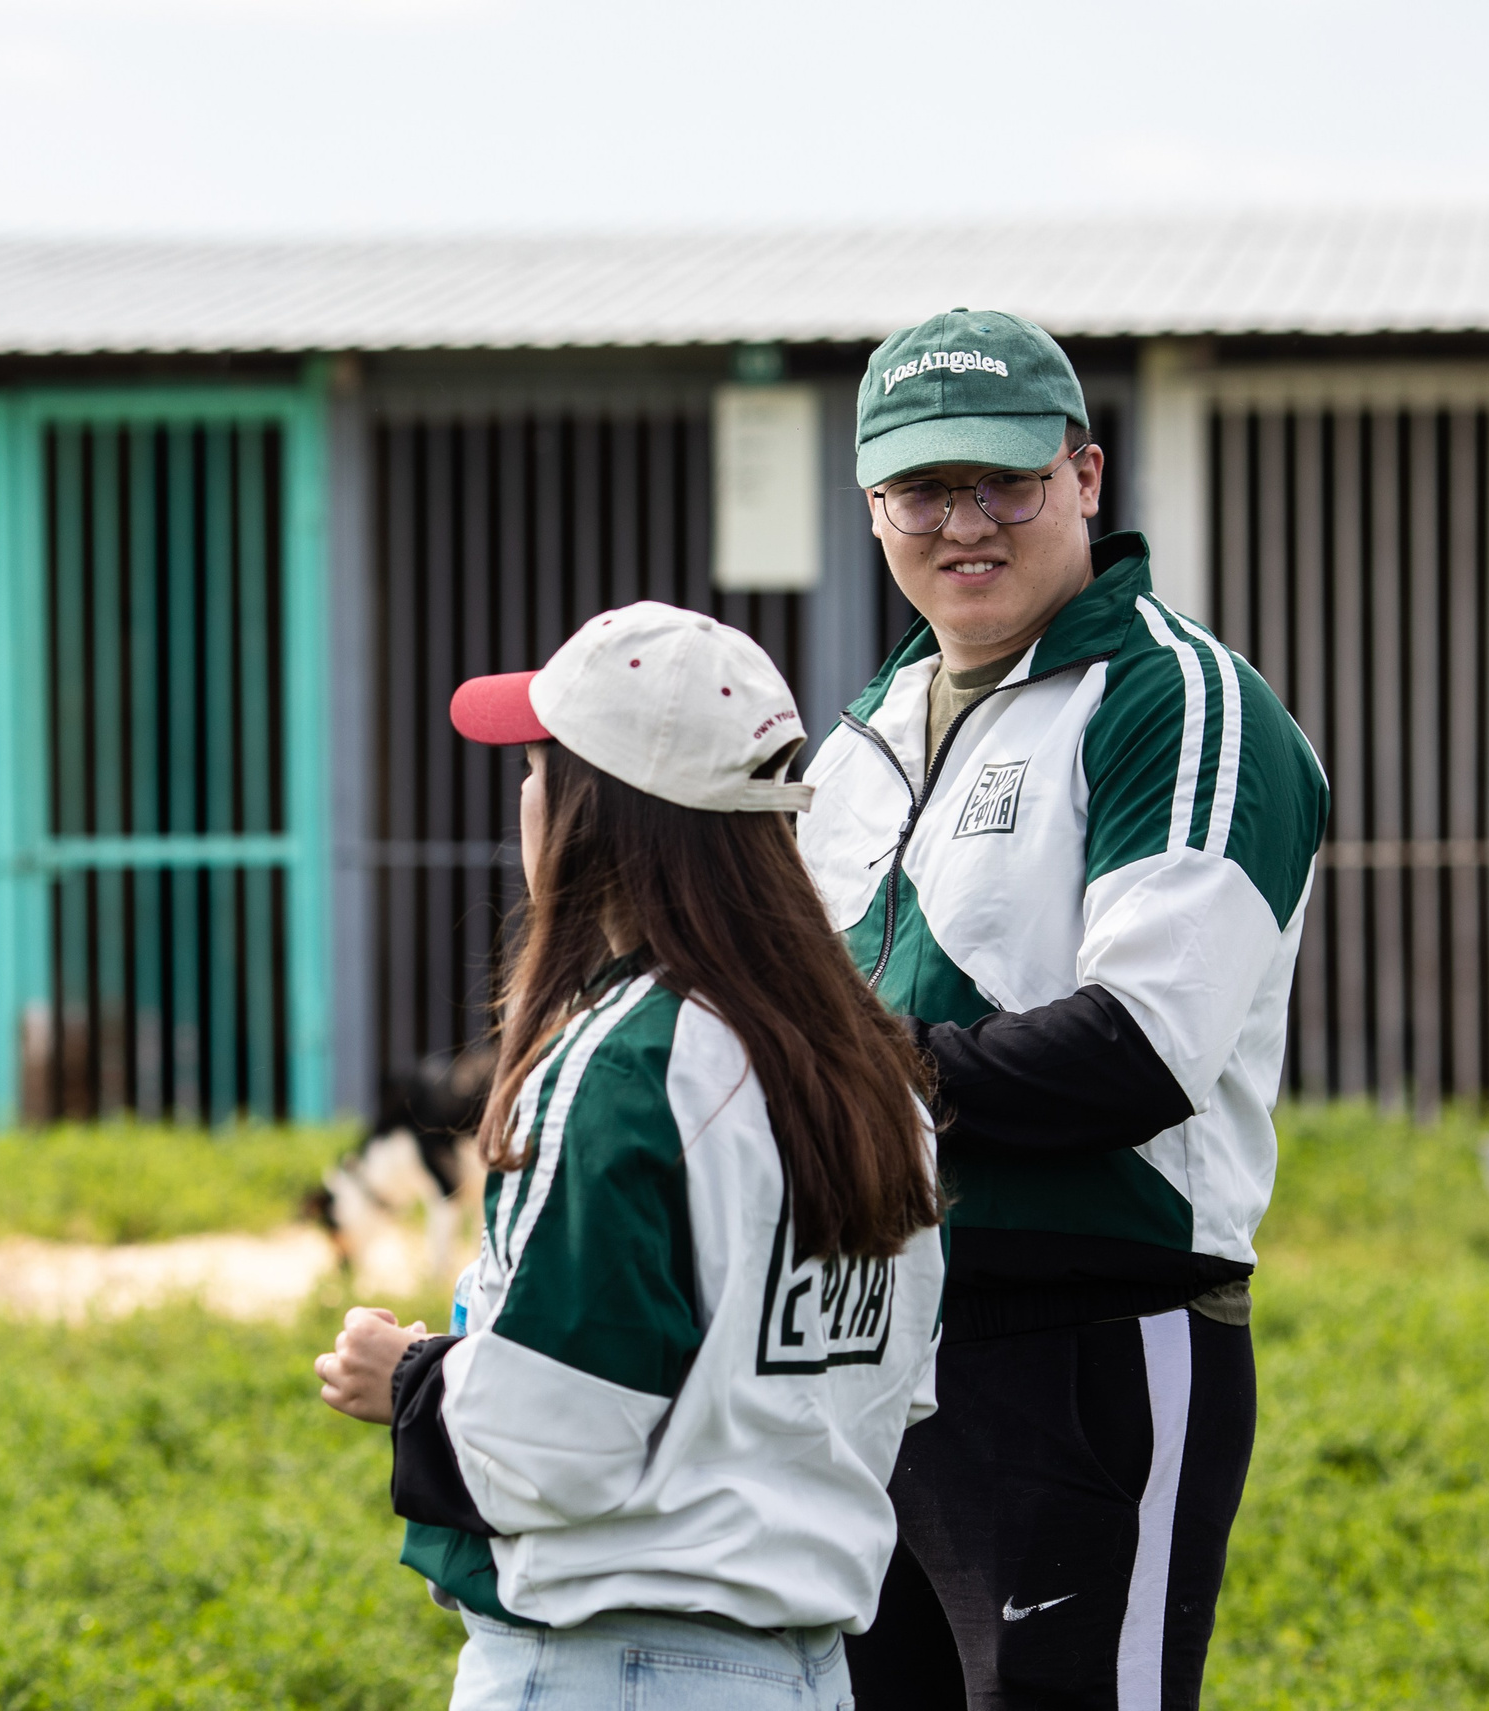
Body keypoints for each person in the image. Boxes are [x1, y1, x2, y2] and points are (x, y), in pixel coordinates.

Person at [799, 310, 1328, 1709]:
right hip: (869, 1344)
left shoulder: (1177, 701)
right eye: (923, 489)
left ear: (1085, 474)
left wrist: (831, 1077)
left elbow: (1138, 1048)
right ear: (871, 505)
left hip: (1094, 1342)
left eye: (1005, 482)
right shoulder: (861, 733)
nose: (965, 523)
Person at [314, 601, 947, 1709]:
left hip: (611, 1666)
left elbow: (553, 1443)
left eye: (535, 766)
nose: (523, 794)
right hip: (806, 1670)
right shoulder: (876, 1070)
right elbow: (890, 1392)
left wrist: (409, 1379)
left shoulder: (624, 1064)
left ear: (592, 807)